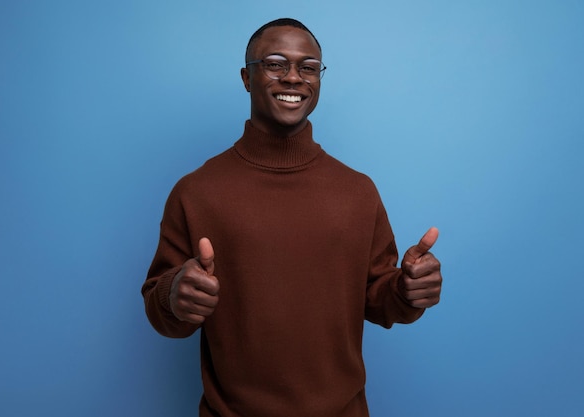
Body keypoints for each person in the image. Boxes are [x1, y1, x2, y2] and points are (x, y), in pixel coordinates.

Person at [141, 18, 442, 417]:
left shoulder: (357, 191)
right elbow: (161, 305)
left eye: (309, 67)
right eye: (276, 63)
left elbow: (378, 298)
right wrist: (176, 294)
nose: (294, 78)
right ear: (247, 77)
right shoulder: (196, 191)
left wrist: (406, 291)